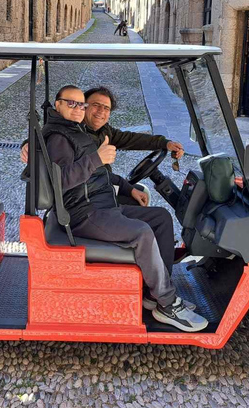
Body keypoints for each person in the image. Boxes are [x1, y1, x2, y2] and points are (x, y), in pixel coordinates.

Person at [42, 85, 207, 332]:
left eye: (103, 108)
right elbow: (61, 180)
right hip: (84, 212)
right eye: (87, 105)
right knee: (141, 232)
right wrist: (97, 158)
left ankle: (154, 294)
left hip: (103, 204)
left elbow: (127, 141)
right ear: (59, 105)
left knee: (160, 218)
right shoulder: (62, 135)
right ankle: (168, 302)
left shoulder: (75, 129)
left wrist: (162, 145)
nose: (94, 111)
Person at [21, 86, 185, 273]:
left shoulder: (102, 131)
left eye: (106, 108)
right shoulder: (72, 131)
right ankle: (148, 273)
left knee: (158, 214)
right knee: (142, 219)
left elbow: (131, 139)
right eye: (95, 105)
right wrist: (29, 144)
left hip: (100, 191)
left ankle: (159, 272)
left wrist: (163, 143)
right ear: (85, 107)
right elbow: (52, 138)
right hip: (87, 203)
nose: (101, 112)